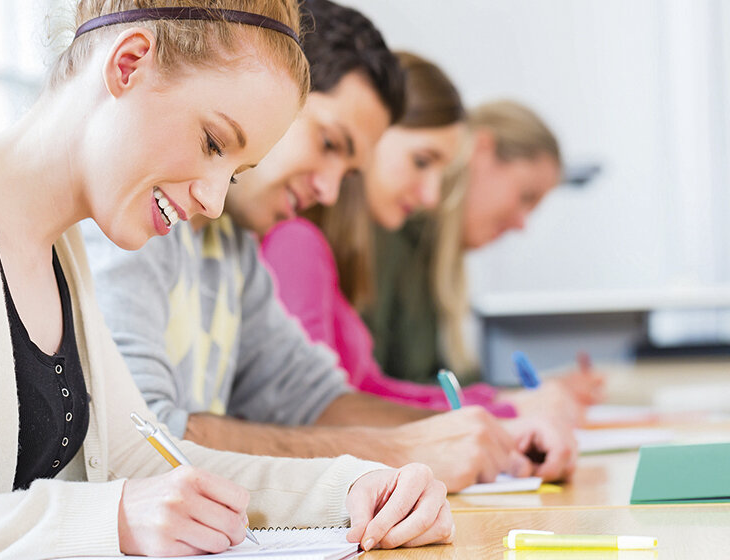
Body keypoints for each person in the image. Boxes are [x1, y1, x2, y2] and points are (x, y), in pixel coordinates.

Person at [0, 2, 456, 558]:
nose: (212, 200)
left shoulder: (63, 251)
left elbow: (140, 460)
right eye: (212, 142)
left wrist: (358, 485)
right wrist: (107, 518)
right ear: (128, 64)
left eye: (233, 172)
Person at [84, 1, 575, 492]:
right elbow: (146, 440)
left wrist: (488, 435)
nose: (331, 192)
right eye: (329, 143)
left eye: (350, 169)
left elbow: (314, 399)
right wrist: (398, 451)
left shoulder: (231, 245)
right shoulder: (135, 217)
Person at [260, 53, 596, 431]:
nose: (431, 195)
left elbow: (368, 389)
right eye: (421, 161)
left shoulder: (325, 246)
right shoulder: (300, 241)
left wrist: (502, 405)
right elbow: (315, 414)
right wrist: (505, 411)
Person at [363, 99, 605, 419]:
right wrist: (511, 404)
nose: (522, 223)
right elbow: (375, 394)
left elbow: (436, 387)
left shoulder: (428, 254)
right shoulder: (389, 235)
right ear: (482, 151)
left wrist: (529, 396)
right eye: (526, 197)